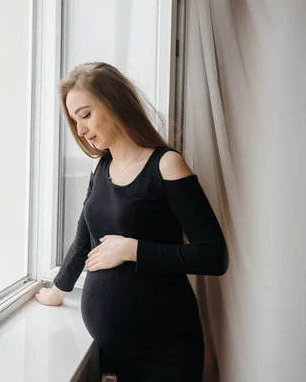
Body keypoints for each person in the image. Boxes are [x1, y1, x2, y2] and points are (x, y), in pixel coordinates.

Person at [35, 62, 228, 381]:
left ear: (113, 102)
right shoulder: (102, 168)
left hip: (166, 351)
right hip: (117, 356)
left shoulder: (167, 164)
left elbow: (214, 255)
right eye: (74, 120)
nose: (80, 130)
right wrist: (59, 290)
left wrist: (133, 250)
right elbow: (85, 239)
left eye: (85, 114)